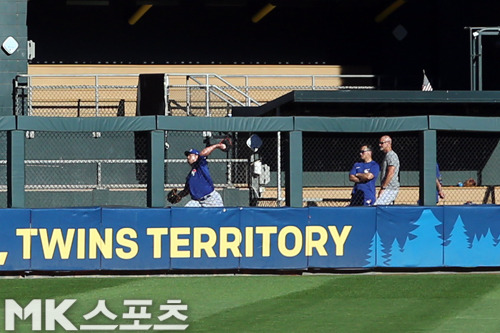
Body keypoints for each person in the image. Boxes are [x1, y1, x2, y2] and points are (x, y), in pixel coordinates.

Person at [176, 142, 226, 207]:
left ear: (196, 156)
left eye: (190, 155)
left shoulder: (201, 165)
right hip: (196, 202)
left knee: (221, 216)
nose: (188, 157)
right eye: (187, 156)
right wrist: (179, 195)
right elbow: (187, 190)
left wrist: (217, 145)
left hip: (211, 199)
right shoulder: (190, 175)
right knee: (186, 212)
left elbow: (202, 154)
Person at [375, 135, 400, 205]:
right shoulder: (387, 155)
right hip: (388, 188)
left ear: (388, 143)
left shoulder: (391, 155)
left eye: (382, 143)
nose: (380, 145)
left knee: (377, 207)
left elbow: (391, 172)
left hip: (390, 188)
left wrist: (383, 188)